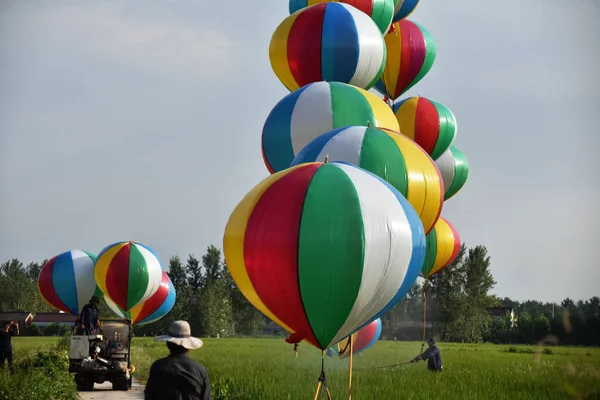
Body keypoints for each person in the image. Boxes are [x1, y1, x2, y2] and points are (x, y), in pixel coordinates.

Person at [145, 320, 212, 400]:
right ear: (188, 347)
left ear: (168, 344)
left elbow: (149, 396)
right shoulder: (200, 370)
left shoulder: (158, 367)